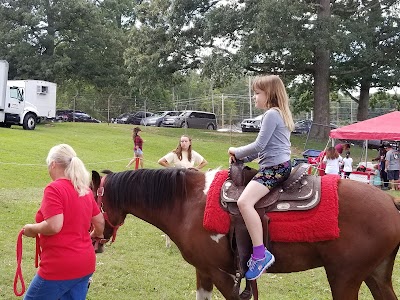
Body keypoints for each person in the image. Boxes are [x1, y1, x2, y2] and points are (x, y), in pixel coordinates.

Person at [227, 75, 294, 280]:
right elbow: (261, 151)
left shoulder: (271, 115)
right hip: (279, 165)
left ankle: (260, 254)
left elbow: (258, 146)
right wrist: (242, 157)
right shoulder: (279, 114)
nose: (254, 97)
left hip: (273, 169)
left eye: (257, 93)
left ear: (269, 94)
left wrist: (235, 150)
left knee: (244, 202)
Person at [22, 144, 105, 300]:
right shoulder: (84, 190)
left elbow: (54, 226)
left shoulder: (54, 189)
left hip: (59, 267)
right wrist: (96, 235)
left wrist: (32, 229)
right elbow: (100, 221)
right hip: (85, 264)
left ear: (53, 164)